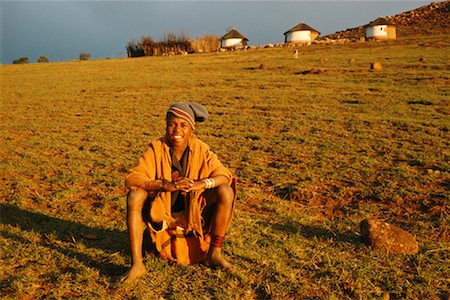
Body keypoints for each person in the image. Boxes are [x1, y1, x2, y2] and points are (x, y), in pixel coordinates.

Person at [121, 102, 237, 282]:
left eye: (183, 125)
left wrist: (201, 183)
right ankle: (137, 264)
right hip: (161, 215)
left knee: (226, 191)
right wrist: (164, 185)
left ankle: (214, 253)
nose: (177, 130)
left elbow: (224, 175)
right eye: (172, 124)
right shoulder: (156, 148)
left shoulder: (201, 149)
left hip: (194, 216)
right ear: (166, 125)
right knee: (135, 195)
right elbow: (132, 178)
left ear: (192, 128)